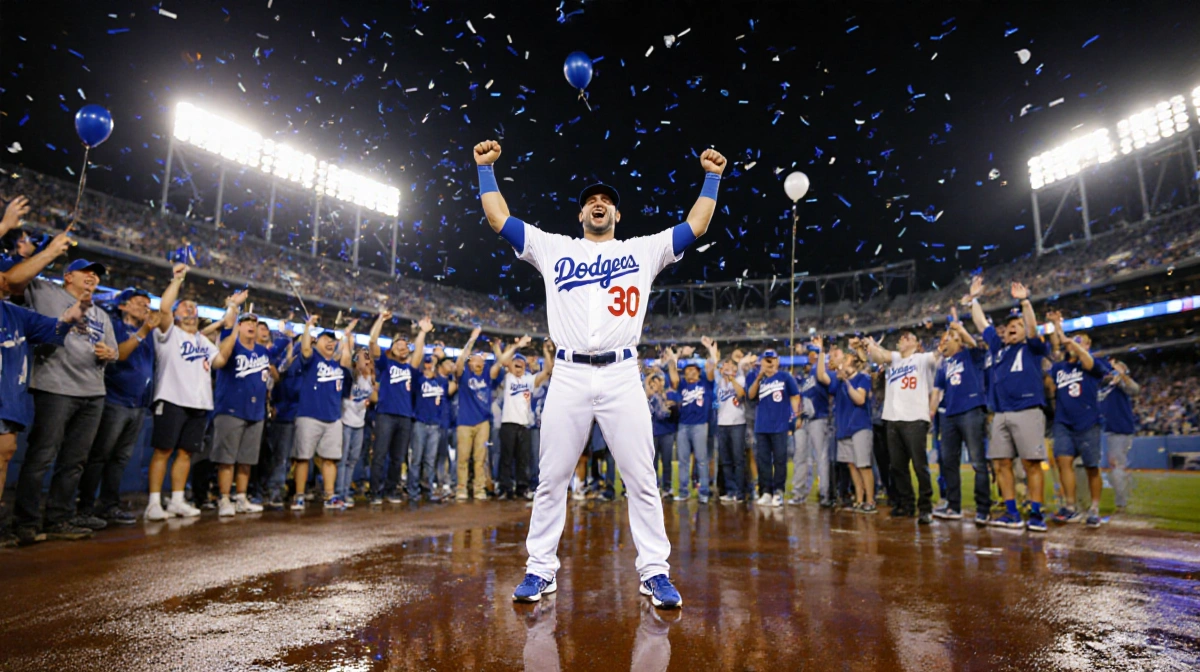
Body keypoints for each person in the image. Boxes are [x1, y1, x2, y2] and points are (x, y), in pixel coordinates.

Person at [475, 137, 725, 608]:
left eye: (607, 200)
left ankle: (654, 572)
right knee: (552, 477)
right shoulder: (552, 247)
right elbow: (497, 219)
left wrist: (711, 178)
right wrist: (486, 170)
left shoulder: (642, 251)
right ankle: (540, 569)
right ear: (580, 215)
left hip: (621, 375)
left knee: (641, 478)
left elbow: (696, 224)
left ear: (617, 215)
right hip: (568, 374)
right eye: (592, 200)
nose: (599, 203)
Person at [12, 254, 119, 542]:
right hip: (55, 387)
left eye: (96, 274)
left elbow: (115, 351)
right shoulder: (46, 292)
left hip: (93, 393)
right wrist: (43, 249)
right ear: (68, 276)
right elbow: (16, 279)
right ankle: (26, 521)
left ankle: (59, 519)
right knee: (41, 456)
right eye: (85, 271)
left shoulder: (102, 314)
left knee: (74, 461)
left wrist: (110, 353)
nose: (92, 277)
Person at [0, 237, 87, 546]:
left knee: (5, 452)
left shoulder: (16, 314)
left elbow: (53, 330)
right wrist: (50, 251)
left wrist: (68, 319)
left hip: (8, 397)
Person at [146, 263, 233, 521]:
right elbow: (163, 308)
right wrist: (177, 280)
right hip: (171, 398)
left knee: (185, 453)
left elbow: (220, 361)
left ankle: (177, 500)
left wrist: (232, 324)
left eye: (194, 308)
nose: (191, 309)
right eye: (185, 306)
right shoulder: (168, 333)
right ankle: (153, 503)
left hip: (200, 403)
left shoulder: (202, 341)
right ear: (175, 313)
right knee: (163, 450)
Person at [968, 277, 1051, 532]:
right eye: (1009, 325)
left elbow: (1033, 328)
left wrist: (1025, 301)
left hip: (1027, 410)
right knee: (1001, 463)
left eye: (1017, 325)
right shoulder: (998, 346)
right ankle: (1012, 513)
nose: (1012, 328)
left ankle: (1036, 514)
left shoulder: (1033, 347)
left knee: (1031, 464)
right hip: (1000, 413)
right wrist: (973, 299)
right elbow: (981, 323)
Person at [77, 287, 159, 526]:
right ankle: (85, 507)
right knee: (100, 455)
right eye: (138, 302)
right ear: (123, 305)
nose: (145, 306)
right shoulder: (114, 325)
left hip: (138, 404)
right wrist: (143, 331)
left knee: (121, 458)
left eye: (147, 302)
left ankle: (109, 505)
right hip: (115, 401)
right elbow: (119, 355)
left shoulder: (150, 333)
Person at [862, 330, 939, 524]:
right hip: (893, 419)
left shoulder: (922, 359)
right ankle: (906, 504)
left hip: (915, 419)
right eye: (901, 337)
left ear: (916, 343)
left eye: (908, 337)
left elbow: (938, 354)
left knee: (920, 467)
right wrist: (871, 346)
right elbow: (880, 356)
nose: (902, 339)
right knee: (897, 467)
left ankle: (925, 507)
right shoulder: (894, 358)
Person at [212, 296, 279, 517]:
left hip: (256, 411)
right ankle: (223, 498)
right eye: (247, 322)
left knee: (246, 459)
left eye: (255, 323)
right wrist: (232, 317)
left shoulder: (262, 352)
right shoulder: (230, 341)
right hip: (230, 408)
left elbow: (268, 378)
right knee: (227, 458)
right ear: (239, 326)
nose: (252, 326)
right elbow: (222, 354)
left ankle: (240, 497)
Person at [1045, 312, 1110, 528]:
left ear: (1088, 345)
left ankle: (1094, 508)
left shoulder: (1094, 363)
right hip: (1063, 422)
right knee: (1064, 462)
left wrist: (1073, 343)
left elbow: (1088, 360)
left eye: (1081, 341)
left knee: (1092, 467)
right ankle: (1070, 507)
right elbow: (1056, 348)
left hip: (1088, 421)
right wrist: (1056, 326)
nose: (1074, 344)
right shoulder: (1059, 368)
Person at [929, 315, 991, 525]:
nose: (943, 342)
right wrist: (929, 414)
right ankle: (954, 506)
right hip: (949, 415)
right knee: (948, 462)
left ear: (958, 340)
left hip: (972, 410)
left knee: (977, 461)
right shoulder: (943, 365)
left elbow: (974, 343)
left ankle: (983, 508)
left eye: (948, 339)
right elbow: (936, 392)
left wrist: (961, 330)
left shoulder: (971, 354)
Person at [290, 315, 356, 510]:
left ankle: (329, 496)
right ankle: (299, 496)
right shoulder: (312, 359)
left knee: (330, 459)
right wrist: (308, 327)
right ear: (316, 341)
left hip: (333, 417)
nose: (330, 342)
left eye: (332, 339)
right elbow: (304, 349)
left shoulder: (337, 365)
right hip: (309, 415)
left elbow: (347, 361)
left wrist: (345, 339)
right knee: (303, 458)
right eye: (325, 338)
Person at [367, 311, 432, 504]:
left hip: (405, 416)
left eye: (405, 346)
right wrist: (380, 320)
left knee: (398, 457)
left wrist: (422, 333)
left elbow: (418, 354)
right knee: (379, 455)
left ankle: (391, 490)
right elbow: (372, 343)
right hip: (385, 414)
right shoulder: (386, 364)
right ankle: (375, 492)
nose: (402, 347)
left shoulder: (410, 368)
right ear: (391, 348)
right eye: (398, 344)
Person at [815, 338, 876, 513]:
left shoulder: (862, 378)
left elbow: (860, 399)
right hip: (844, 427)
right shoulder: (838, 379)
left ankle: (870, 500)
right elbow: (821, 375)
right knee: (851, 465)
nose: (842, 358)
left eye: (847, 357)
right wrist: (821, 353)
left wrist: (846, 381)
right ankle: (859, 499)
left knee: (863, 465)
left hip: (860, 426)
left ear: (852, 360)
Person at [496, 337, 553, 500]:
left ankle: (522, 488)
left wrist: (545, 351)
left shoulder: (529, 379)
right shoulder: (508, 378)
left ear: (525, 366)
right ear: (511, 366)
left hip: (525, 424)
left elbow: (547, 371)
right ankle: (505, 488)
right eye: (515, 364)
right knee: (506, 459)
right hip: (508, 422)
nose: (518, 366)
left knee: (523, 459)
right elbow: (502, 360)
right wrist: (516, 347)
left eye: (521, 364)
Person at [747, 349, 800, 507]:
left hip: (780, 425)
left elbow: (795, 396)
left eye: (772, 359)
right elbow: (750, 395)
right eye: (766, 360)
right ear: (762, 362)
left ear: (777, 361)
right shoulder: (757, 377)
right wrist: (759, 376)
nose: (769, 362)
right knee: (763, 461)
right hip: (761, 426)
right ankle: (766, 491)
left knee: (779, 460)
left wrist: (795, 415)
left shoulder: (785, 377)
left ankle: (778, 491)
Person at [667, 338, 717, 503]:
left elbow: (711, 367)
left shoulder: (706, 383)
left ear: (698, 371)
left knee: (702, 461)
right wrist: (674, 359)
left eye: (693, 369)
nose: (690, 372)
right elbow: (673, 377)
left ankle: (703, 491)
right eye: (687, 370)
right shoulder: (682, 385)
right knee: (683, 461)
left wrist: (710, 349)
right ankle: (683, 491)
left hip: (700, 425)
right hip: (683, 425)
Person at [452, 327, 499, 500]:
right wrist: (471, 341)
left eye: (480, 359)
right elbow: (459, 362)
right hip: (464, 421)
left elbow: (499, 364)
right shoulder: (463, 376)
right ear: (470, 363)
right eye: (474, 359)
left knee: (480, 458)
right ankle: (461, 488)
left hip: (483, 422)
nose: (478, 361)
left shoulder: (487, 375)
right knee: (463, 457)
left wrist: (496, 348)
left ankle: (479, 489)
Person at [409, 345, 454, 502]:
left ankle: (428, 490)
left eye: (432, 362)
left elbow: (453, 385)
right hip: (420, 423)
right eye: (427, 362)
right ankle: (413, 491)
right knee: (416, 459)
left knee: (430, 460)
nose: (429, 365)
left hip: (435, 425)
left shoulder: (441, 381)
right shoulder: (417, 379)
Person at [789, 345, 830, 505]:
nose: (811, 358)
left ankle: (825, 493)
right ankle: (799, 493)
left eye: (815, 355)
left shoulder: (822, 373)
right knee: (800, 457)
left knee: (821, 457)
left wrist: (821, 353)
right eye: (810, 356)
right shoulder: (805, 380)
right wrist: (798, 416)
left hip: (819, 418)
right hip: (804, 420)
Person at [1099, 359, 1139, 514]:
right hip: (1100, 429)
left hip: (1118, 429)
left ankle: (1121, 502)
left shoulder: (1121, 383)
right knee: (1112, 467)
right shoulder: (1101, 382)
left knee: (1117, 466)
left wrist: (1121, 375)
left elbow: (1134, 389)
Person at [338, 347, 376, 506]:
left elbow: (375, 398)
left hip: (360, 423)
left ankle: (346, 491)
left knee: (353, 459)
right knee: (343, 459)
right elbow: (347, 363)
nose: (365, 360)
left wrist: (372, 378)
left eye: (367, 357)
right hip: (346, 420)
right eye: (362, 357)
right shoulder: (350, 375)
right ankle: (340, 493)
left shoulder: (369, 379)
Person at [714, 356, 747, 503]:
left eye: (729, 365)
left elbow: (741, 394)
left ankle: (740, 492)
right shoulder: (719, 383)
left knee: (738, 459)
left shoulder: (740, 380)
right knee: (725, 460)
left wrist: (732, 378)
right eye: (724, 365)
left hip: (737, 423)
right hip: (722, 424)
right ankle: (730, 490)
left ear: (734, 368)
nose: (726, 368)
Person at [646, 370, 677, 497]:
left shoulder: (669, 394)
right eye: (655, 382)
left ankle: (667, 487)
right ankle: (654, 487)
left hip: (667, 432)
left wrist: (670, 405)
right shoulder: (647, 396)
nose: (658, 384)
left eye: (660, 381)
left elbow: (673, 412)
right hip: (652, 433)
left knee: (667, 462)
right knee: (652, 464)